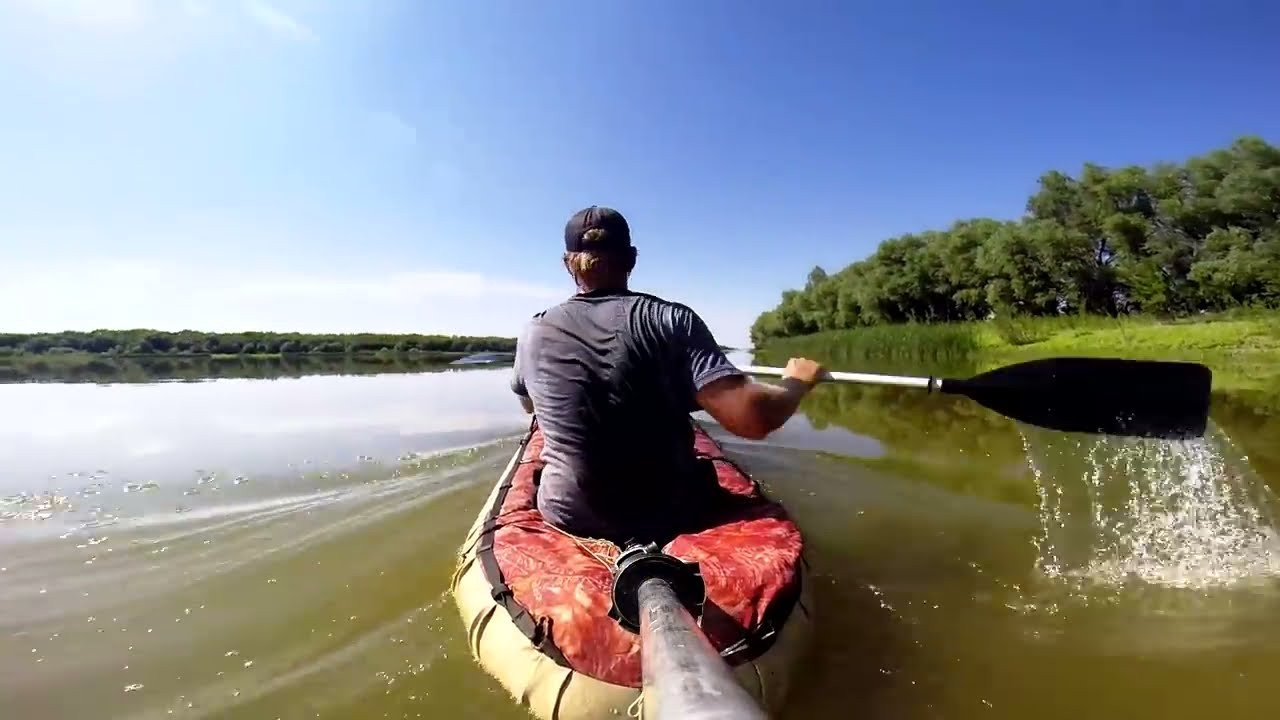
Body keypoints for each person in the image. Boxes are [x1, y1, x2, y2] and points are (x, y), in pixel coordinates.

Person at [510, 205, 824, 544]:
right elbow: (751, 418)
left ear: (567, 262)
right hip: (673, 511)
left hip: (570, 513)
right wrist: (797, 381)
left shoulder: (533, 330)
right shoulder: (671, 320)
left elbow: (530, 408)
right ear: (631, 258)